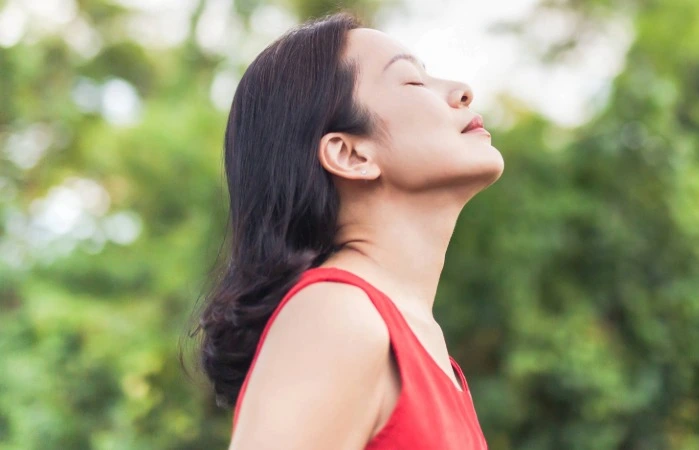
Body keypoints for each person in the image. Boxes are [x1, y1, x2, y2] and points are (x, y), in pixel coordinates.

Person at [190, 10, 502, 449]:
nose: (461, 91)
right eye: (413, 81)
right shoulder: (336, 313)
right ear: (350, 154)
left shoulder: (423, 345)